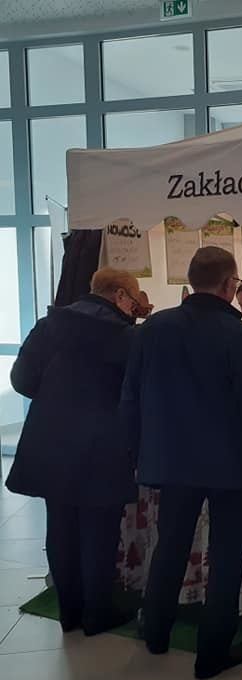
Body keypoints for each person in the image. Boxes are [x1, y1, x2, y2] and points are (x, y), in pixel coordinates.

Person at [121, 247, 242, 680]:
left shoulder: (153, 327)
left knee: (170, 545)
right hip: (230, 464)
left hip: (172, 459)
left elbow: (131, 395)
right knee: (226, 555)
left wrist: (133, 452)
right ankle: (212, 651)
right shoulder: (238, 334)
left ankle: (156, 632)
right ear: (228, 285)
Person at [6, 267, 141, 636]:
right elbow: (138, 392)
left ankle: (69, 611)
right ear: (120, 295)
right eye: (133, 301)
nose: (133, 309)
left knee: (61, 526)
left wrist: (55, 399)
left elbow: (21, 379)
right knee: (100, 531)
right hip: (104, 442)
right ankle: (97, 613)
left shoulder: (48, 326)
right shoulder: (126, 337)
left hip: (52, 437)